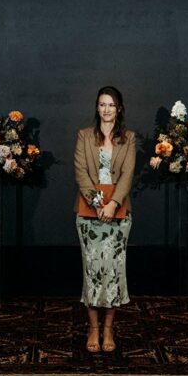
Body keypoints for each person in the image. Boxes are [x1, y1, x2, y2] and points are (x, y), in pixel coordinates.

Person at [74, 86, 136, 354]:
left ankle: (109, 329)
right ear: (97, 108)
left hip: (119, 213)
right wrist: (98, 203)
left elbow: (127, 174)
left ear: (119, 108)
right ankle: (93, 328)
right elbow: (81, 172)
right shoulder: (84, 136)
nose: (106, 109)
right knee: (92, 272)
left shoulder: (129, 138)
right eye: (102, 104)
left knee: (113, 272)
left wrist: (112, 204)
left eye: (111, 105)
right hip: (89, 214)